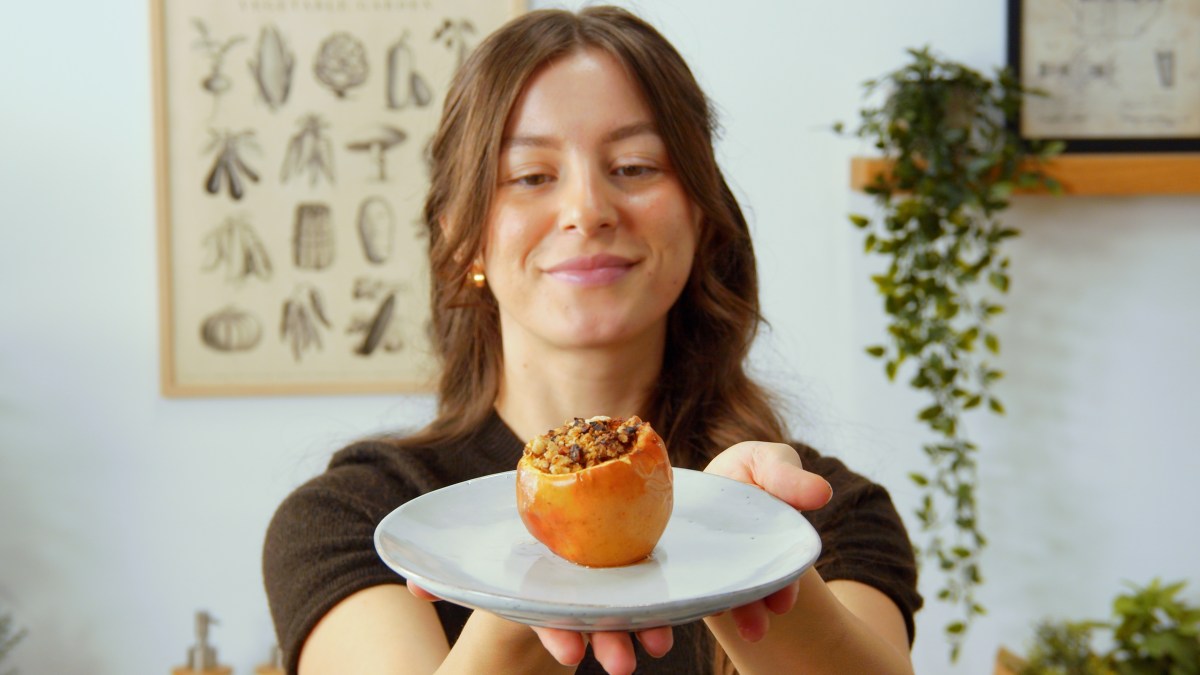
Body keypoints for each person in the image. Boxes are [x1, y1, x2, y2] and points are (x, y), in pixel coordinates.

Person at [263, 6, 922, 674]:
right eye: (531, 176)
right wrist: (533, 588)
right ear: (463, 235)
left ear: (701, 216)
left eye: (634, 167)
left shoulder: (818, 511)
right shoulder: (355, 519)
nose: (587, 210)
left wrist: (748, 547)